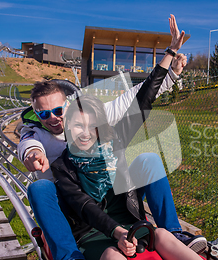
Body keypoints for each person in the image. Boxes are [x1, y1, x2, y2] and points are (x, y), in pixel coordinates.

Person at [17, 14, 206, 260]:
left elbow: (140, 100)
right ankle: (68, 255)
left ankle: (174, 232)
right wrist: (33, 153)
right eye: (43, 113)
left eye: (58, 111)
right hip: (74, 208)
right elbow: (29, 143)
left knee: (148, 159)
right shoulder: (52, 152)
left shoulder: (97, 126)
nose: (53, 118)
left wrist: (169, 55)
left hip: (114, 205)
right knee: (41, 187)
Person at [52, 93, 203, 260]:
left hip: (128, 222)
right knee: (112, 254)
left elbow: (143, 102)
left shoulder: (113, 145)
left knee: (162, 234)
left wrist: (167, 67)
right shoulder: (62, 166)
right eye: (79, 126)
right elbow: (85, 206)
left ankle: (176, 233)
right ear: (68, 126)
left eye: (93, 126)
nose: (86, 133)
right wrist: (118, 233)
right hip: (93, 232)